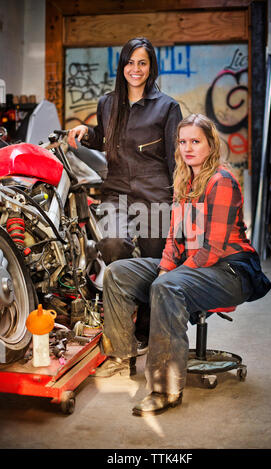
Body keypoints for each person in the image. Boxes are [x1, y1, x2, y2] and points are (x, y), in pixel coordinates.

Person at [95, 113, 271, 416]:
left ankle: (165, 390)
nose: (188, 147)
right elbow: (174, 240)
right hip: (192, 264)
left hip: (230, 271)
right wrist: (164, 268)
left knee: (167, 285)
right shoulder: (183, 181)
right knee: (118, 273)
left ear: (210, 144)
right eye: (183, 141)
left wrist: (169, 278)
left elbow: (212, 249)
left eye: (196, 141)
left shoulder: (222, 181)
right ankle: (120, 359)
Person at [67, 37, 182, 353]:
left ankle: (144, 330)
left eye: (142, 63)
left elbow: (176, 159)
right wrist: (85, 133)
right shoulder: (107, 103)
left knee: (154, 264)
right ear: (122, 65)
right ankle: (124, 308)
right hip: (116, 192)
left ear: (151, 67)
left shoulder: (167, 107)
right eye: (130, 62)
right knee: (113, 245)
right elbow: (103, 137)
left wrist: (181, 201)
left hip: (155, 195)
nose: (136, 69)